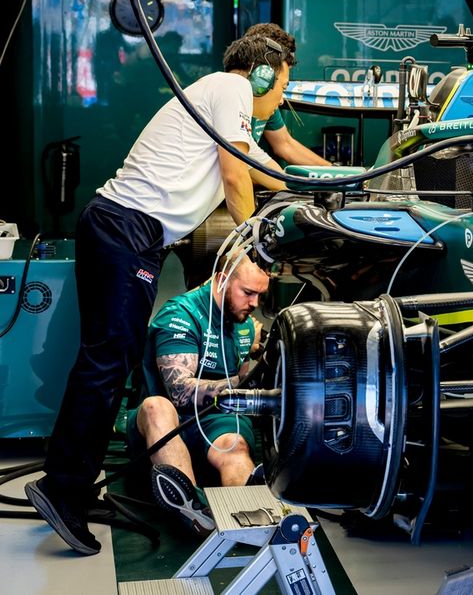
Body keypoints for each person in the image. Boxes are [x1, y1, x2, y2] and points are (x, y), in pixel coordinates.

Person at [25, 34, 289, 556]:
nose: (281, 98)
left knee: (107, 360)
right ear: (261, 74)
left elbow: (275, 168)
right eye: (281, 86)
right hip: (127, 230)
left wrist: (336, 186)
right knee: (107, 362)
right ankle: (62, 489)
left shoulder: (222, 104)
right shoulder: (231, 88)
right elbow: (237, 175)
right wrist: (253, 246)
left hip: (126, 232)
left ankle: (71, 482)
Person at [128, 256, 269, 535]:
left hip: (214, 420)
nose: (254, 304)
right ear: (221, 280)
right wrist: (247, 385)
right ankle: (194, 508)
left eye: (260, 295)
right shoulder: (180, 314)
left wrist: (255, 352)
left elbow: (241, 374)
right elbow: (179, 392)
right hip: (166, 423)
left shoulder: (242, 322)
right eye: (248, 293)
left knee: (235, 445)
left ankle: (249, 513)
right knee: (157, 407)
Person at [240, 23, 331, 167]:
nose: (281, 100)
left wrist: (333, 172)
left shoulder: (267, 101)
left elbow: (285, 144)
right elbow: (235, 171)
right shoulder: (232, 101)